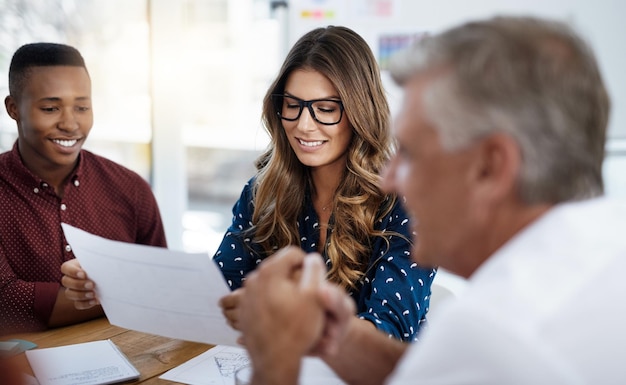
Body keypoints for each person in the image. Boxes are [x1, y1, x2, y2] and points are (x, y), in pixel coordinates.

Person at [235, 15, 626, 385]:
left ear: (490, 167)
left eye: (410, 152)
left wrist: (276, 360)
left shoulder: (494, 330)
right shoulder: (602, 248)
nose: (388, 179)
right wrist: (341, 338)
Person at [215, 25, 436, 343]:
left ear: (360, 112)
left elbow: (391, 333)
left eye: (326, 110)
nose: (304, 126)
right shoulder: (260, 192)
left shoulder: (406, 203)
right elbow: (222, 293)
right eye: (292, 106)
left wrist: (289, 319)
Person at [0, 42, 167, 333]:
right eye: (51, 108)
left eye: (82, 107)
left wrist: (145, 288)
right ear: (14, 108)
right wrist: (124, 292)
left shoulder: (130, 189)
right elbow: (6, 303)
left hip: (135, 359)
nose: (70, 123)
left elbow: (162, 280)